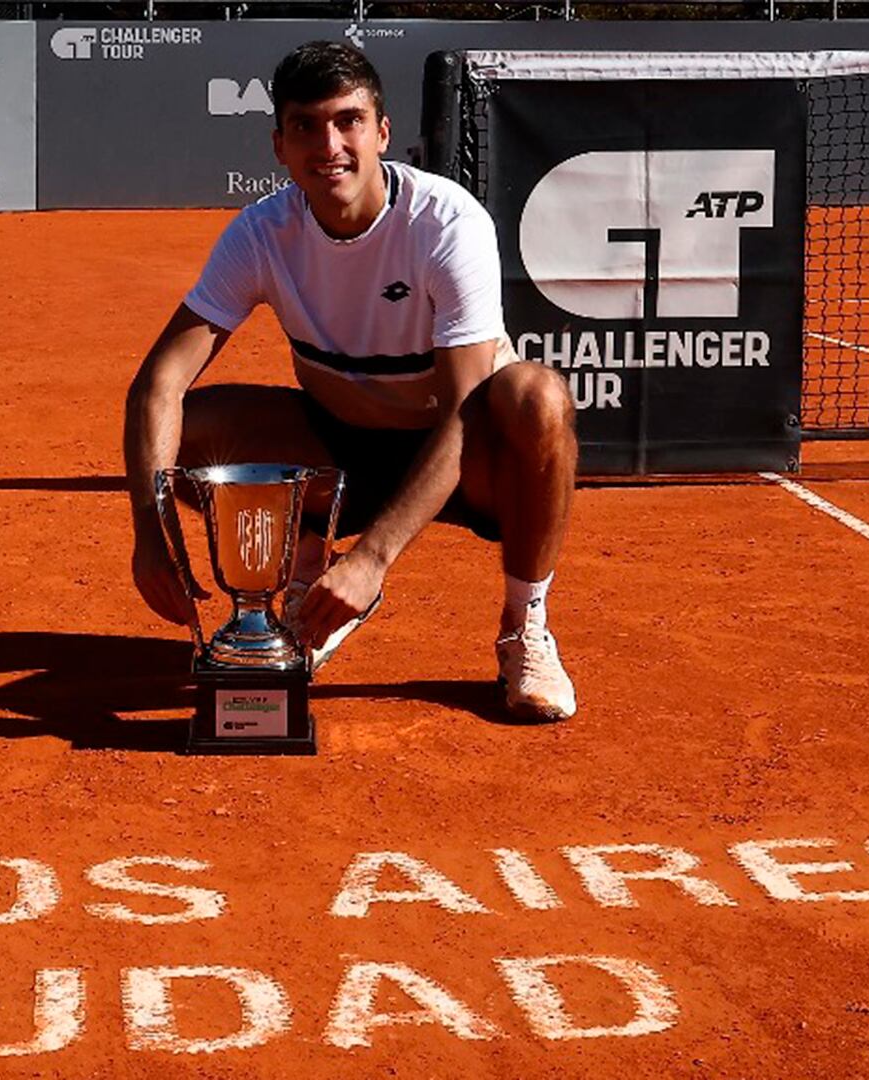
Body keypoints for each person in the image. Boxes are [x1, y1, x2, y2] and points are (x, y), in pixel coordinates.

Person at [122, 42, 581, 722]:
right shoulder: (261, 234)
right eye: (305, 125)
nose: (328, 145)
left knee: (536, 396)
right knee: (190, 431)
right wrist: (150, 529)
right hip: (343, 453)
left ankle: (525, 626)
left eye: (348, 121)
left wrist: (372, 559)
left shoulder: (445, 222)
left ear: (382, 132)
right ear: (279, 145)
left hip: (467, 457)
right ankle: (307, 569)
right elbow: (158, 384)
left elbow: (463, 414)